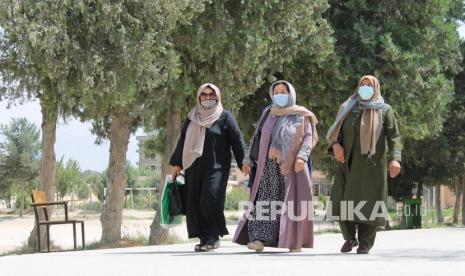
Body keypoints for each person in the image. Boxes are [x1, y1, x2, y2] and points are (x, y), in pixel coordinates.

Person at [233, 80, 318, 253]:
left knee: (291, 204)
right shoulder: (268, 113)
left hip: (293, 167)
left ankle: (294, 241)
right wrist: (248, 159)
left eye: (284, 91)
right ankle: (259, 239)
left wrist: (302, 157)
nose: (280, 95)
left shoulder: (301, 114)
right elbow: (256, 137)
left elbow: (308, 137)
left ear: (291, 93)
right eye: (276, 91)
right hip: (267, 167)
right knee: (265, 202)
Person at [326, 75, 402, 254]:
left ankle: (365, 242)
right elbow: (334, 132)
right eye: (362, 84)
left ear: (376, 88)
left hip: (372, 166)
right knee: (344, 200)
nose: (365, 87)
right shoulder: (347, 108)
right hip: (347, 163)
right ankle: (349, 238)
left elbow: (394, 137)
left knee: (369, 201)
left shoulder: (385, 110)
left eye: (369, 85)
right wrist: (335, 145)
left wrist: (395, 158)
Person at [170, 83, 246, 252]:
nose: (208, 97)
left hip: (217, 168)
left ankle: (213, 236)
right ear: (199, 97)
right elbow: (183, 141)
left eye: (211, 94)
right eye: (204, 94)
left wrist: (244, 162)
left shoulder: (225, 117)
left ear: (217, 97)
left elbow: (237, 140)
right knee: (196, 202)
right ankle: (205, 238)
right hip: (193, 166)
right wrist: (177, 163)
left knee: (210, 198)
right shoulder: (191, 117)